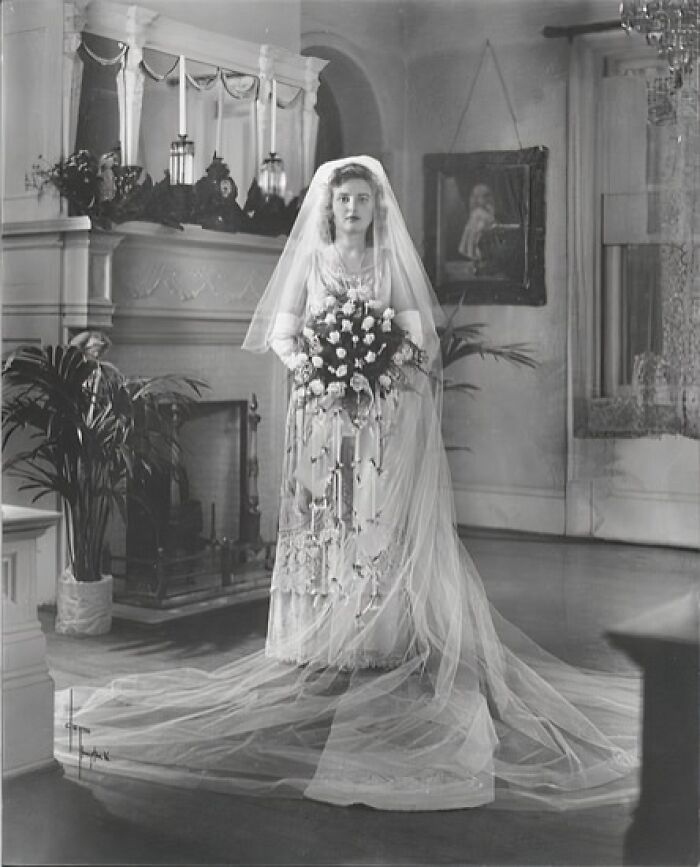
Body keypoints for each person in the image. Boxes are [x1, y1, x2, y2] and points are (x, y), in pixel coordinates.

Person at [55, 156, 639, 812]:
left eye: (362, 201)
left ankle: (376, 632)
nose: (353, 211)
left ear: (375, 207)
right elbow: (280, 331)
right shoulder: (313, 259)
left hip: (375, 416)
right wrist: (316, 367)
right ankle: (316, 635)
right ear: (329, 209)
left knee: (368, 520)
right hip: (320, 414)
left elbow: (418, 341)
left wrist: (385, 367)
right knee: (321, 521)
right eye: (344, 202)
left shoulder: (388, 264)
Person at [458, 182, 496, 276]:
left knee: (483, 251)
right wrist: (476, 229)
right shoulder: (476, 213)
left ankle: (482, 266)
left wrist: (486, 226)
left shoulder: (487, 211)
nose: (481, 200)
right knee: (474, 251)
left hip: (484, 234)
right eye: (478, 197)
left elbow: (491, 219)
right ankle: (476, 266)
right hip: (474, 234)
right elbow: (472, 225)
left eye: (484, 197)